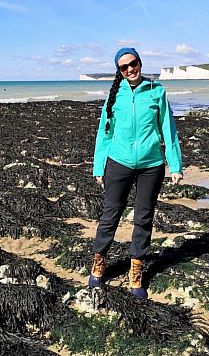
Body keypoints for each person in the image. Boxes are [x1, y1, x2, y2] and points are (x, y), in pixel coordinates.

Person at [89, 47, 183, 298]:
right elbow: (104, 134)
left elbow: (168, 129)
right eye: (124, 67)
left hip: (151, 166)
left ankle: (136, 271)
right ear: (118, 71)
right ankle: (99, 263)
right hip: (118, 162)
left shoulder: (156, 91)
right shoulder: (114, 96)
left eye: (134, 63)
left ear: (140, 63)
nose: (130, 69)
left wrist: (175, 165)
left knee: (143, 218)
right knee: (110, 214)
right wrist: (99, 167)